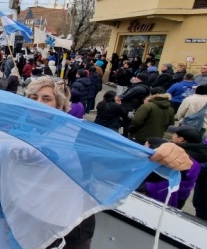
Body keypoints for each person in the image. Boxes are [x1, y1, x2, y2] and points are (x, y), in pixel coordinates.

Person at [25, 77, 192, 249]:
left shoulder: (80, 134)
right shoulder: (14, 130)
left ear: (59, 104)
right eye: (33, 97)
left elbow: (127, 165)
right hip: (27, 223)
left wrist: (167, 159)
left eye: (46, 98)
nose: (38, 103)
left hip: (70, 228)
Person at [144, 125, 206, 209]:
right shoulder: (198, 153)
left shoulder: (183, 158)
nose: (172, 135)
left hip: (167, 197)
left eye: (175, 134)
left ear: (181, 139)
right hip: (179, 196)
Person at [116, 73, 151, 137]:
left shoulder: (139, 88)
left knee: (126, 122)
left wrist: (119, 97)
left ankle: (126, 135)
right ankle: (125, 134)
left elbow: (127, 96)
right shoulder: (138, 86)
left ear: (140, 79)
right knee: (125, 122)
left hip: (129, 107)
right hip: (129, 106)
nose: (134, 78)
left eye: (136, 77)